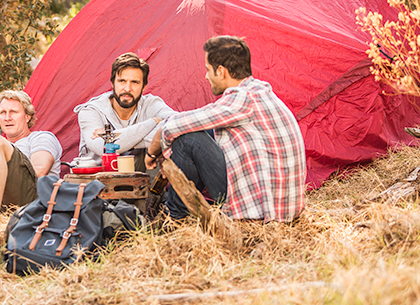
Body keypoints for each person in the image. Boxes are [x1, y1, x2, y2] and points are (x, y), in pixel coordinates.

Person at [145, 36, 306, 223]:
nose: (206, 76)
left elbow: (172, 125)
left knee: (187, 139)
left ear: (221, 71)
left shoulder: (242, 99)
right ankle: (179, 211)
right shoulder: (259, 91)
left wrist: (151, 152)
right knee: (204, 132)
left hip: (261, 210)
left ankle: (173, 219)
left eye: (208, 70)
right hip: (281, 205)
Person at [74, 52, 175, 171]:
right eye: (122, 81)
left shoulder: (151, 104)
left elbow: (177, 123)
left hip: (138, 182)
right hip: (96, 182)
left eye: (135, 82)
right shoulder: (91, 111)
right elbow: (102, 147)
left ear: (144, 86)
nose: (127, 89)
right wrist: (153, 123)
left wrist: (115, 138)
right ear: (112, 83)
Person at [0, 90, 62, 209]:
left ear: (27, 117)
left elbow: (39, 171)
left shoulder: (42, 137)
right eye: (3, 112)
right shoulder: (1, 147)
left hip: (35, 198)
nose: (7, 118)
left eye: (13, 112)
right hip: (8, 202)